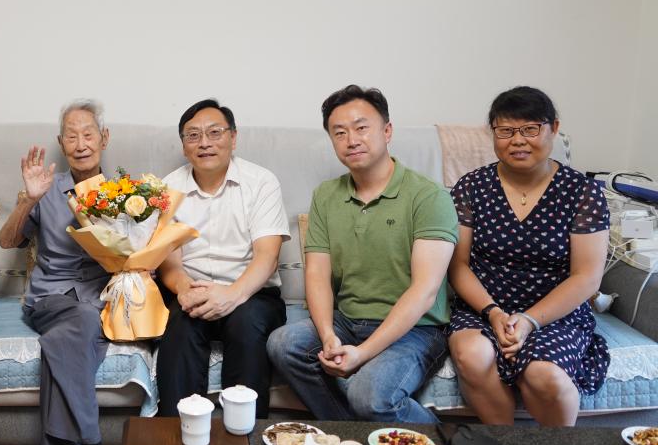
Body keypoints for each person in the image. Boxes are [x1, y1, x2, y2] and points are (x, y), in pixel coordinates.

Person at [267, 85, 458, 423]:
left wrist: (363, 353)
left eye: (361, 128)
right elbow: (317, 274)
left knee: (368, 395)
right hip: (349, 320)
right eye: (339, 132)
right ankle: (349, 433)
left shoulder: (429, 196)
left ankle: (447, 444)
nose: (351, 140)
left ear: (387, 131)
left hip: (417, 329)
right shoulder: (326, 195)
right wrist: (328, 335)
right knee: (283, 343)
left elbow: (425, 291)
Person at [446, 86, 610, 426]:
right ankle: (505, 444)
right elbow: (458, 265)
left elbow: (587, 277)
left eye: (530, 129)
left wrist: (529, 320)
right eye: (505, 131)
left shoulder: (582, 192)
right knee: (472, 354)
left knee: (544, 375)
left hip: (556, 313)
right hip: (483, 308)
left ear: (554, 128)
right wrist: (493, 312)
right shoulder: (471, 187)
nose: (517, 140)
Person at [0, 100, 116, 445]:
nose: (81, 144)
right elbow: (8, 240)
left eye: (88, 134)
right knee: (80, 321)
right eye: (71, 136)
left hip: (101, 299)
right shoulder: (46, 189)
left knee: (64, 340)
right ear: (61, 143)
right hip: (50, 298)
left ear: (104, 138)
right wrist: (28, 199)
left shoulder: (125, 193)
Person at [156, 99, 289, 417]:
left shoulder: (261, 182)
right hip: (192, 291)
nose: (204, 142)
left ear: (233, 137)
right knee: (180, 326)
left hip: (252, 293)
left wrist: (231, 296)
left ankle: (245, 435)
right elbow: (169, 262)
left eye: (214, 132)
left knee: (246, 324)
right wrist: (184, 290)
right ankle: (176, 431)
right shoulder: (168, 188)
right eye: (193, 135)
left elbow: (267, 256)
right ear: (184, 145)